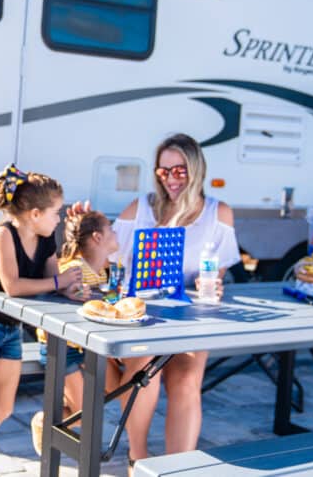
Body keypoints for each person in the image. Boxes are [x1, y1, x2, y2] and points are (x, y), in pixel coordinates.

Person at [112, 133, 239, 469]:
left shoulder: (218, 214)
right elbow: (107, 258)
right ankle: (137, 458)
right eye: (163, 171)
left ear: (196, 171)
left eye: (179, 171)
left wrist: (211, 283)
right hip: (140, 312)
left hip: (189, 313)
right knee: (145, 374)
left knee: (185, 380)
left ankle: (177, 468)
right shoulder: (140, 209)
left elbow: (217, 273)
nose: (170, 179)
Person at [0, 165, 82, 477]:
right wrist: (58, 282)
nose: (58, 219)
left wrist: (72, 288)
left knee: (4, 409)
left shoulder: (47, 239)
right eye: (56, 212)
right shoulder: (3, 234)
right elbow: (13, 286)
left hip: (10, 330)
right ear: (35, 213)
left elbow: (53, 279)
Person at [30, 208, 125, 455]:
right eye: (111, 230)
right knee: (85, 417)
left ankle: (67, 402)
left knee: (120, 387)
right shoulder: (73, 269)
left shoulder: (105, 269)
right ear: (97, 237)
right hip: (62, 348)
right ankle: (46, 420)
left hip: (89, 346)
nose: (116, 234)